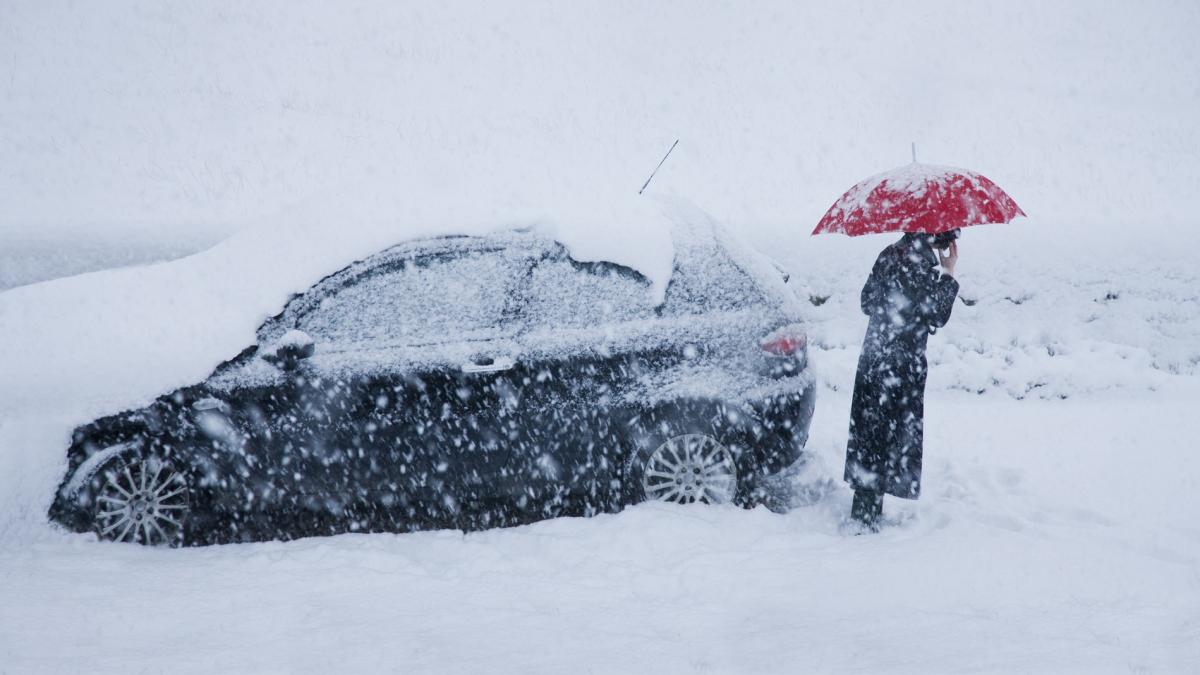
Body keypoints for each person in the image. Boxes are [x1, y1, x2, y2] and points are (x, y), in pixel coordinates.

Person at [844, 229, 960, 531]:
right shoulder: (919, 264)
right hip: (901, 364)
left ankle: (865, 509)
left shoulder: (890, 253)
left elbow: (867, 302)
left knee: (871, 434)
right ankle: (866, 520)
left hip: (874, 358)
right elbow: (936, 314)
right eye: (948, 234)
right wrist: (948, 273)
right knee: (889, 437)